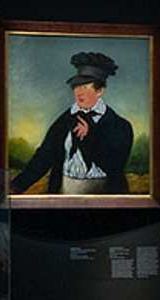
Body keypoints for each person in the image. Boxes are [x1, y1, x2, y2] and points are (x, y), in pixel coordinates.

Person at [11, 49, 137, 197]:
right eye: (76, 86)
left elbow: (115, 167)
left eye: (85, 87)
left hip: (106, 195)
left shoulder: (121, 126)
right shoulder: (65, 121)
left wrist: (90, 137)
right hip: (63, 193)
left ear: (100, 91)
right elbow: (43, 157)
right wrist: (16, 187)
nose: (79, 92)